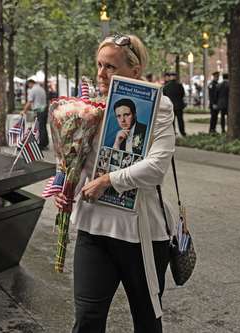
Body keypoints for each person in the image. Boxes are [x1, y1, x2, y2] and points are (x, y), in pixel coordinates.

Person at [55, 34, 177, 333]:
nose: (101, 74)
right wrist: (65, 186)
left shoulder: (158, 106)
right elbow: (79, 162)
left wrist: (107, 181)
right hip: (93, 230)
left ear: (134, 71)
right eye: (98, 65)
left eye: (110, 66)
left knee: (147, 321)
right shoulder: (88, 109)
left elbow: (156, 168)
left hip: (140, 233)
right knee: (87, 321)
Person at [21, 79, 49, 149]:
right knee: (43, 127)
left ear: (31, 83)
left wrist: (24, 111)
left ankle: (41, 144)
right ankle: (45, 143)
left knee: (40, 127)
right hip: (45, 109)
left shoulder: (33, 90)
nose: (28, 87)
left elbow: (29, 102)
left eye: (28, 85)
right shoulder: (41, 89)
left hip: (39, 110)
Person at [163, 72, 186, 136]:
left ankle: (173, 132)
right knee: (180, 120)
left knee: (172, 121)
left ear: (170, 77)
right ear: (175, 77)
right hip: (179, 106)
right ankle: (182, 132)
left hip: (170, 106)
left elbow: (164, 97)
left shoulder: (166, 86)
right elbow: (182, 94)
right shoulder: (179, 85)